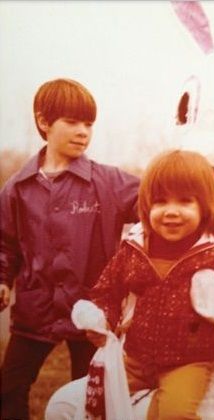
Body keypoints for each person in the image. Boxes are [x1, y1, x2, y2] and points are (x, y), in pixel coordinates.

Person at [47, 149, 214, 420]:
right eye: (161, 202)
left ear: (206, 206)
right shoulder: (135, 248)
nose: (171, 212)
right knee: (96, 404)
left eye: (185, 202)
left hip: (186, 363)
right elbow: (106, 291)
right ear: (147, 206)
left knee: (174, 413)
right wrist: (102, 320)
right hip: (135, 358)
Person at [0, 78, 139, 420]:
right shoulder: (16, 189)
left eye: (88, 124)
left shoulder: (109, 182)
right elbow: (5, 244)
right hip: (34, 314)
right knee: (9, 391)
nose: (83, 132)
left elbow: (158, 201)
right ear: (44, 122)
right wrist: (3, 278)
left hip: (92, 316)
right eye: (72, 122)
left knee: (89, 400)